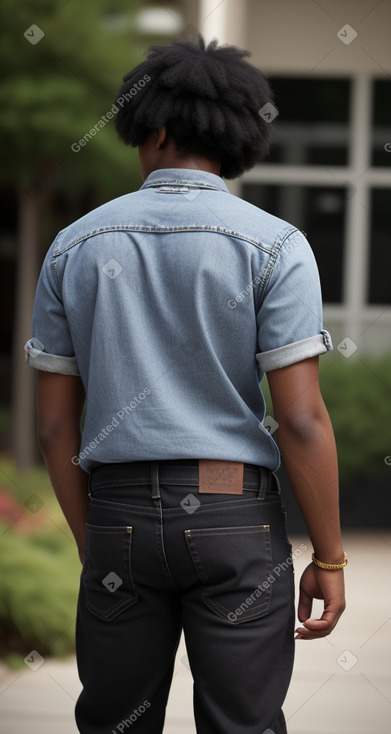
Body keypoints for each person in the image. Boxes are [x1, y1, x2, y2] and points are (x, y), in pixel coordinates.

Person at [25, 35, 346, 734]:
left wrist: (95, 544)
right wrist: (328, 556)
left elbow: (53, 427)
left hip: (118, 516)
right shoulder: (276, 245)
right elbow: (299, 420)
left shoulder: (74, 245)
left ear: (158, 129)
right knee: (242, 723)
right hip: (235, 520)